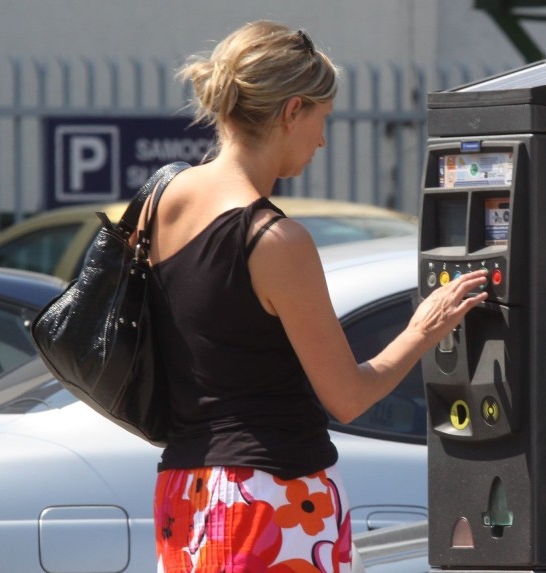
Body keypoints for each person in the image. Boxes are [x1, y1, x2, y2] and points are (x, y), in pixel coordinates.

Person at [140, 20, 488, 573]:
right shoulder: (274, 239)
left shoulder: (159, 202)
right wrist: (425, 328)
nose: (323, 140)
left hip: (185, 492)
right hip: (271, 496)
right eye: (322, 120)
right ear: (291, 110)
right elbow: (347, 396)